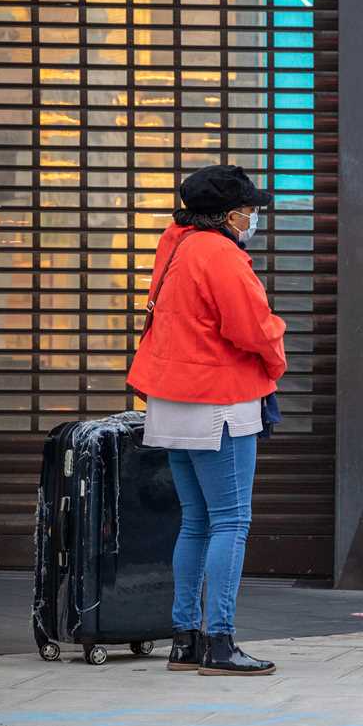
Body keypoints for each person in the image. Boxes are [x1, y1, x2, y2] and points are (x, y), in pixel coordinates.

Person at [127, 164, 286, 676]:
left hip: (171, 397)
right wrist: (277, 346)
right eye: (249, 210)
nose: (253, 218)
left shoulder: (175, 243)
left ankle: (183, 639)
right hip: (220, 400)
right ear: (230, 213)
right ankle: (220, 641)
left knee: (194, 521)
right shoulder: (221, 254)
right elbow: (253, 329)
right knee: (231, 522)